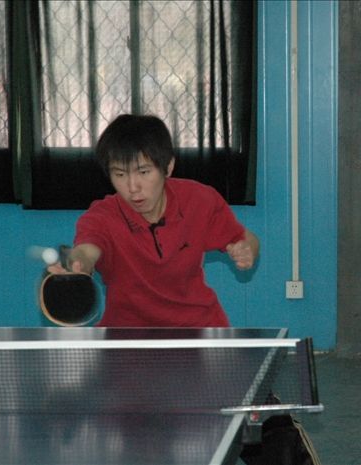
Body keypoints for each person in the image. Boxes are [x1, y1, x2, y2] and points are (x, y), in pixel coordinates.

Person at [48, 114, 259, 327]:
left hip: (198, 329)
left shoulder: (199, 200)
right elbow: (86, 251)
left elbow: (245, 239)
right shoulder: (101, 217)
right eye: (120, 175)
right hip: (126, 335)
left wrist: (246, 249)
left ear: (168, 167)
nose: (133, 187)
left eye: (143, 172)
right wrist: (77, 264)